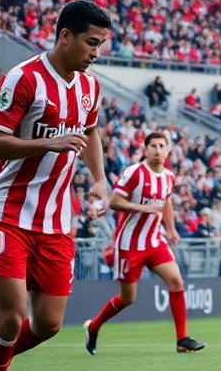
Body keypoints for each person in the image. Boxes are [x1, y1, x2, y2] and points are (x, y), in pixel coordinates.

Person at [0, 0, 112, 371]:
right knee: (11, 317)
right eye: (92, 42)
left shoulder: (89, 87)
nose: (96, 52)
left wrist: (99, 180)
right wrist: (45, 145)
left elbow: (88, 133)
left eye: (102, 44)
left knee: (49, 323)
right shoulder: (23, 79)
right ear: (65, 36)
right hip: (8, 213)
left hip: (55, 219)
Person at [84, 131, 203, 355]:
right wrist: (144, 208)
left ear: (168, 151)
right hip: (129, 244)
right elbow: (115, 202)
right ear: (145, 150)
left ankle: (182, 339)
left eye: (162, 146)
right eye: (154, 146)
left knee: (176, 281)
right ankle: (94, 326)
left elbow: (166, 201)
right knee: (128, 298)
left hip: (154, 240)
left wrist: (170, 228)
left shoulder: (168, 176)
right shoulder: (135, 173)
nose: (158, 150)